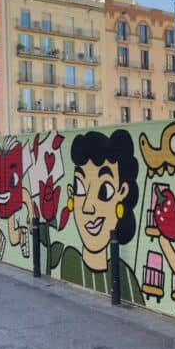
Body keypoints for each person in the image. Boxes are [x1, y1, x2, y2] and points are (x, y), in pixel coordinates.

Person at [61, 129, 145, 306]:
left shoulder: (128, 279)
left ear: (122, 193)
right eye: (80, 188)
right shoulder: (66, 258)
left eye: (104, 190)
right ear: (71, 193)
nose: (87, 207)